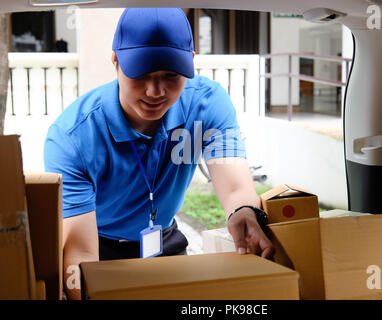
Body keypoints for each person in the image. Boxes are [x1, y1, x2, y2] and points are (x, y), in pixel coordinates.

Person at [44, 8, 274, 300]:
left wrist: (243, 211)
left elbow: (236, 186)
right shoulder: (73, 137)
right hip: (101, 249)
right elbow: (80, 251)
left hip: (165, 240)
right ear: (116, 61)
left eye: (170, 75)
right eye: (141, 74)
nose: (155, 91)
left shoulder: (206, 105)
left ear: (191, 62)